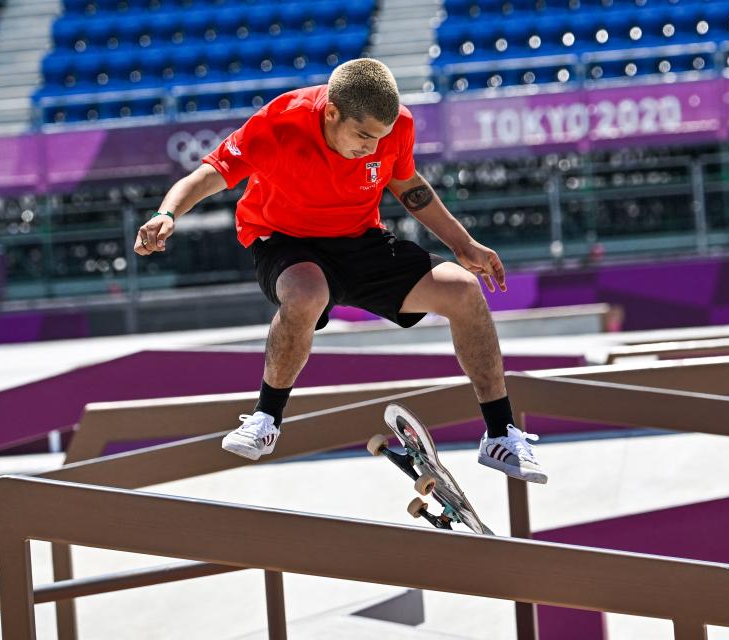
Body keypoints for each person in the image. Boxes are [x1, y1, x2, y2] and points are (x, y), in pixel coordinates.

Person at [134, 59, 547, 483]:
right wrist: (168, 213)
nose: (370, 148)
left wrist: (463, 245)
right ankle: (266, 418)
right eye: (363, 136)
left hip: (359, 240)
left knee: (463, 290)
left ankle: (500, 434)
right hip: (283, 239)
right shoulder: (280, 122)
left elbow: (408, 188)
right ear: (331, 113)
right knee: (307, 293)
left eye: (379, 138)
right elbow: (209, 175)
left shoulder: (396, 126)